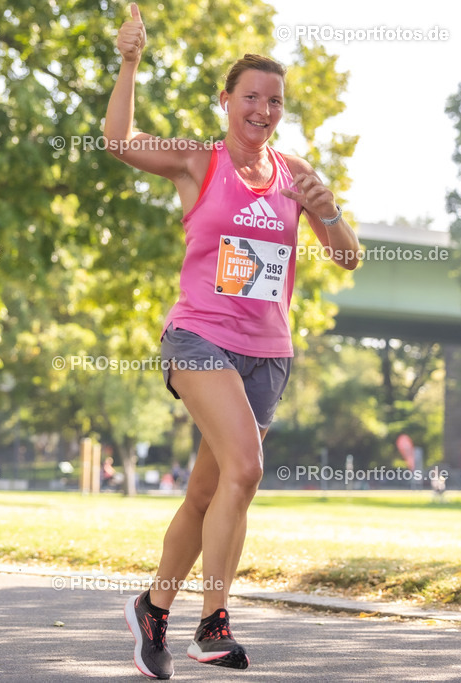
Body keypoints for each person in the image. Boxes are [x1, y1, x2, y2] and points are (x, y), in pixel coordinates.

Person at [106, 5, 359, 678]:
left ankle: (153, 607)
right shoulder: (198, 161)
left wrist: (329, 210)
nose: (262, 110)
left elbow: (347, 257)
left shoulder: (295, 173)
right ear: (226, 101)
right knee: (245, 469)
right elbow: (119, 141)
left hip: (268, 352)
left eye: (274, 101)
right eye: (251, 97)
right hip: (199, 337)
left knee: (208, 492)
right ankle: (213, 622)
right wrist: (129, 63)